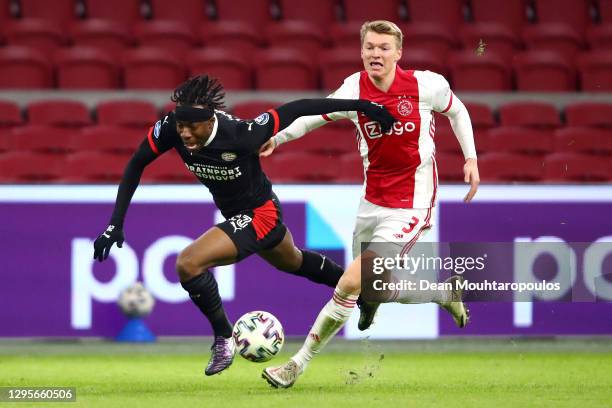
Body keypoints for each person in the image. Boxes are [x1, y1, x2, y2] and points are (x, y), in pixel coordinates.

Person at [92, 75, 395, 376]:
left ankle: (223, 338)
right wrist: (115, 224)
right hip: (239, 215)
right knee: (294, 261)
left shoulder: (240, 134)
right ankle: (363, 291)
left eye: (191, 126)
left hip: (261, 213)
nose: (183, 133)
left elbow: (300, 107)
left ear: (210, 121)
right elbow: (136, 162)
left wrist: (362, 105)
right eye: (180, 125)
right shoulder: (173, 127)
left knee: (188, 263)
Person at [261, 20, 480, 388]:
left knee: (350, 282)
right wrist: (278, 139)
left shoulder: (426, 85)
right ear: (361, 51)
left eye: (383, 48)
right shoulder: (354, 88)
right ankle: (442, 293)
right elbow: (314, 116)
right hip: (372, 201)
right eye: (369, 48)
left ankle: (296, 365)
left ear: (398, 53)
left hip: (411, 204)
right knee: (367, 286)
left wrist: (470, 158)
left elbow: (458, 111)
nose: (375, 54)